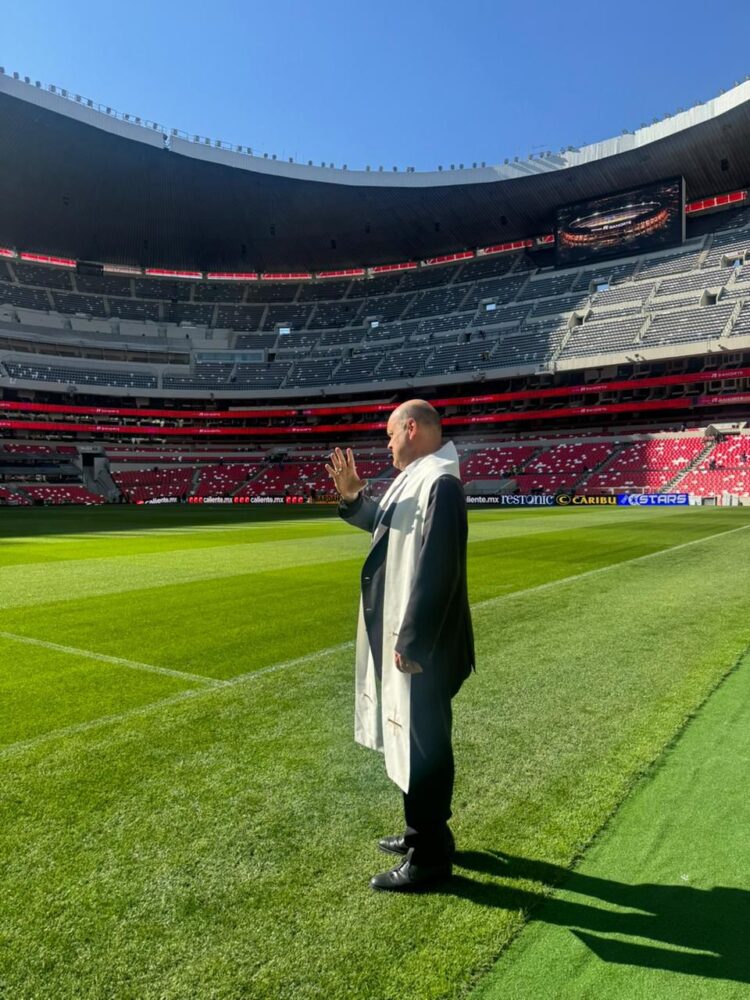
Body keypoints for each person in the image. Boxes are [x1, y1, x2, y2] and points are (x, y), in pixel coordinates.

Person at [325, 400, 474, 892]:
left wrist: (413, 640)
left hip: (423, 648)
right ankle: (430, 835)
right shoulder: (423, 478)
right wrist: (353, 499)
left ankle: (427, 854)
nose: (386, 443)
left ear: (412, 429)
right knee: (419, 741)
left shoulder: (439, 482)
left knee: (423, 745)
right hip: (419, 642)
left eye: (390, 433)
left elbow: (439, 566)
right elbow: (390, 530)